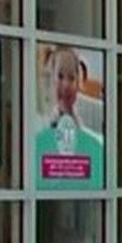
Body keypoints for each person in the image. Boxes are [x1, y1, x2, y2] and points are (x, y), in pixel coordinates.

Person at [32, 44, 104, 182]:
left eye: (71, 78)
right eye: (60, 76)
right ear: (51, 79)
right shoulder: (39, 123)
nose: (66, 85)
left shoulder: (94, 114)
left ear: (78, 82)